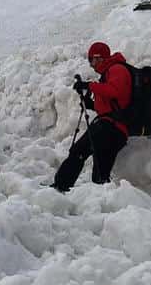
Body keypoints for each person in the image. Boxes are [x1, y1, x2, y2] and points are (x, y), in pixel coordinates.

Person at [50, 42, 132, 192]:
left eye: (91, 59)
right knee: (101, 170)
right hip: (115, 128)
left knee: (78, 151)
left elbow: (115, 91)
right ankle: (101, 201)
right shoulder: (110, 73)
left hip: (109, 127)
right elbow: (113, 104)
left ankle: (59, 187)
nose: (91, 64)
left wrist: (89, 86)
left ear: (99, 57)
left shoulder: (117, 69)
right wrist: (91, 104)